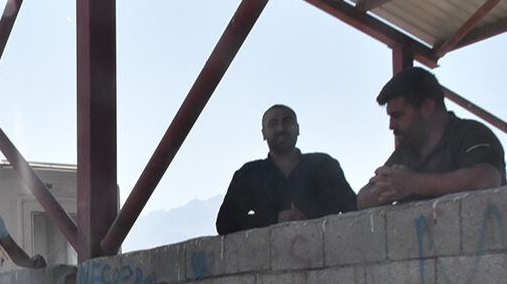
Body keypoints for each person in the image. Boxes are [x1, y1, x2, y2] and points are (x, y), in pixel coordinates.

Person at [357, 67, 505, 209]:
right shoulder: (406, 151)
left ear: (428, 107)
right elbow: (362, 200)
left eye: (397, 115)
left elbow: (487, 179)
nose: (391, 125)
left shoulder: (471, 133)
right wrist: (385, 189)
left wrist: (413, 183)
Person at [216, 104, 357, 235]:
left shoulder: (324, 165)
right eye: (273, 123)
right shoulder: (249, 174)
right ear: (263, 133)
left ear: (298, 129)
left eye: (287, 121)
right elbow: (225, 223)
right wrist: (275, 218)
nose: (281, 128)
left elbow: (353, 208)